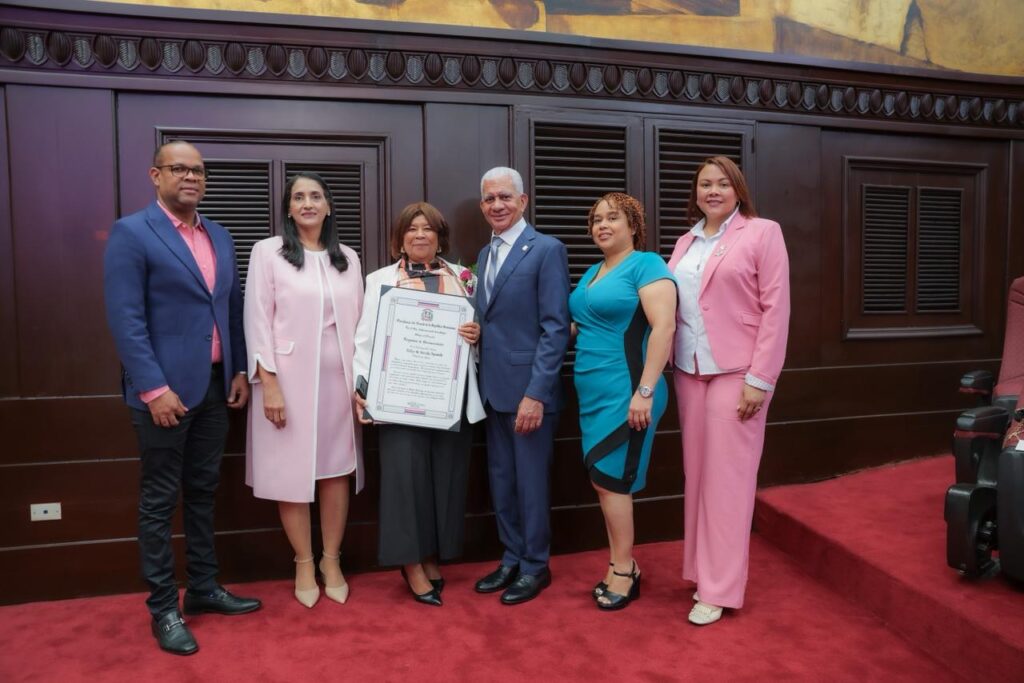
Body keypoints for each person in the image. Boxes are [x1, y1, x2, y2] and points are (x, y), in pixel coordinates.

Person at [103, 141, 261, 656]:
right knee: (158, 501)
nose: (190, 177)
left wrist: (237, 368)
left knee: (202, 491)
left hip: (215, 388)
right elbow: (126, 320)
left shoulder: (218, 233)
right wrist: (153, 389)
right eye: (179, 169)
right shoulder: (132, 233)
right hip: (163, 395)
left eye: (198, 171)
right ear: (155, 175)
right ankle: (163, 608)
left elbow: (231, 306)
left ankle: (204, 589)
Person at [667, 156, 790, 626]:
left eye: (722, 183)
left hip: (738, 370)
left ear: (738, 189)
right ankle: (702, 572)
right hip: (689, 368)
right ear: (696, 193)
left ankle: (719, 589)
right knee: (696, 475)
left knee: (729, 483)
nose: (712, 191)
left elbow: (776, 308)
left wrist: (761, 379)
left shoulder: (762, 232)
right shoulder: (686, 241)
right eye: (705, 184)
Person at [353, 202, 484, 606]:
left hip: (449, 394)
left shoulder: (464, 279)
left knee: (445, 479)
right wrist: (363, 387)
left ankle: (431, 554)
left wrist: (476, 336)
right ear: (401, 239)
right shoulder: (378, 280)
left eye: (428, 229)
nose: (420, 235)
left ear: (440, 237)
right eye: (412, 229)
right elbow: (365, 338)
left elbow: (478, 336)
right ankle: (410, 562)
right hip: (397, 395)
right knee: (403, 480)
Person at [244, 172, 363, 609]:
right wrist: (268, 383)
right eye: (299, 197)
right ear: (289, 208)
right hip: (287, 385)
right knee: (291, 474)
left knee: (336, 470)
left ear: (328, 206)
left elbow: (364, 327)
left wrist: (364, 384)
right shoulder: (269, 253)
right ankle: (303, 561)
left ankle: (332, 559)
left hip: (339, 384)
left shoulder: (347, 257)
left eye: (316, 196)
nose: (308, 203)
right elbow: (257, 319)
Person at [569, 193, 676, 611]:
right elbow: (580, 325)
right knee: (601, 479)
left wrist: (645, 391)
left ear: (633, 226)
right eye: (596, 219)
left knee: (612, 481)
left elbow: (663, 327)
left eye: (613, 218)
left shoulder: (646, 264)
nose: (603, 225)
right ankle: (620, 561)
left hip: (628, 390)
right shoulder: (594, 271)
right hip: (592, 393)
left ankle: (624, 568)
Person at [473, 167, 571, 605]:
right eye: (490, 198)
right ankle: (511, 556)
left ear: (523, 201)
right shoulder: (482, 254)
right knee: (503, 481)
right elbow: (493, 317)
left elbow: (555, 328)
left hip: (530, 392)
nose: (497, 205)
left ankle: (535, 565)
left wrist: (536, 392)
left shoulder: (546, 249)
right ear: (482, 205)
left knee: (531, 483)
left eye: (505, 197)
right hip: (492, 389)